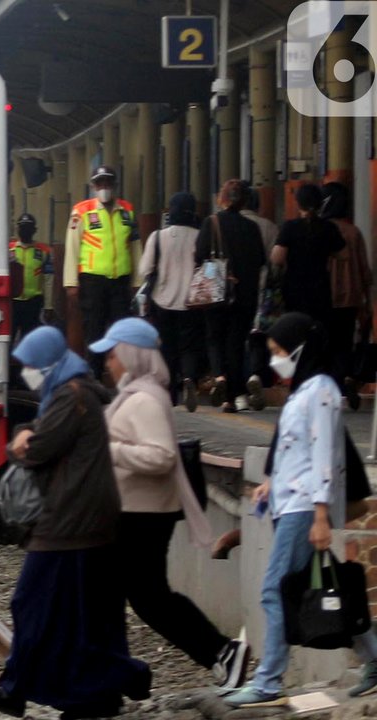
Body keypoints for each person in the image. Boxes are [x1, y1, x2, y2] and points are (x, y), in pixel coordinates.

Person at [0, 326, 150, 720]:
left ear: (49, 362)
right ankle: (100, 694)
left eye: (32, 365)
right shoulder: (72, 393)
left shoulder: (72, 397)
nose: (29, 373)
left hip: (70, 518)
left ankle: (17, 689)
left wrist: (18, 442)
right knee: (84, 613)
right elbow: (40, 437)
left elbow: (38, 449)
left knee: (32, 602)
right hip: (85, 515)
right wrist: (25, 436)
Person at [225, 313, 377, 708]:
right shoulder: (304, 390)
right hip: (293, 503)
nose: (275, 360)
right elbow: (297, 450)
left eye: (278, 351)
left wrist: (323, 515)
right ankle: (375, 660)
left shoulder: (321, 391)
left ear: (300, 349)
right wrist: (272, 483)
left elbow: (325, 454)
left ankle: (269, 681)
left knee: (277, 588)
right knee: (330, 585)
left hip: (306, 508)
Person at [90, 318, 249, 692]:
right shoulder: (139, 394)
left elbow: (161, 456)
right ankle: (120, 674)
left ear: (130, 355)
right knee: (134, 596)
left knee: (146, 598)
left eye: (113, 355)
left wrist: (109, 450)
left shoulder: (144, 400)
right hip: (136, 512)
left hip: (142, 516)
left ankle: (220, 652)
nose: (108, 363)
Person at [194, 180, 266, 413]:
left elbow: (200, 256)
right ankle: (234, 396)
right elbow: (260, 260)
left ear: (221, 198)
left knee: (214, 338)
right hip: (245, 294)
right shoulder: (251, 228)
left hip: (216, 290)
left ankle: (220, 379)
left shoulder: (211, 222)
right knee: (235, 343)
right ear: (245, 200)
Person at [65, 165, 139, 379]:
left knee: (122, 331)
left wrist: (138, 280)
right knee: (94, 330)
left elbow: (135, 245)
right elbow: (72, 247)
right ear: (93, 186)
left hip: (120, 281)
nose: (104, 187)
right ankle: (95, 377)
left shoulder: (127, 210)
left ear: (114, 185)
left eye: (107, 182)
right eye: (100, 183)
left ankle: (123, 376)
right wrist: (71, 283)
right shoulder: (82, 211)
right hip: (92, 281)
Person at [139, 192, 204, 409]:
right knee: (189, 346)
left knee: (167, 348)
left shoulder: (157, 237)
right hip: (192, 302)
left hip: (162, 301)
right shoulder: (200, 236)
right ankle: (189, 379)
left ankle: (168, 394)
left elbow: (145, 269)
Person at [320, 182, 372, 410]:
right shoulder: (354, 233)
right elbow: (365, 271)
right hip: (350, 299)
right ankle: (346, 380)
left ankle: (330, 388)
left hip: (324, 299)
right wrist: (367, 303)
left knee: (324, 346)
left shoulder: (319, 230)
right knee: (344, 344)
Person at [272, 184, 345, 326]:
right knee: (318, 327)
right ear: (319, 204)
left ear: (298, 203)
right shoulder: (328, 227)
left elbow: (277, 258)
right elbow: (343, 255)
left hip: (294, 287)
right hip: (320, 287)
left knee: (296, 327)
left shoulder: (290, 227)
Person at [241, 182, 280, 412]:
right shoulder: (269, 227)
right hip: (263, 289)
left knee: (238, 336)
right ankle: (256, 374)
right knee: (259, 335)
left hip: (236, 289)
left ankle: (240, 383)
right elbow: (276, 262)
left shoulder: (231, 223)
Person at [9, 213, 53, 342]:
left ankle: (26, 362)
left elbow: (48, 279)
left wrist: (49, 306)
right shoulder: (9, 249)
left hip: (33, 302)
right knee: (8, 337)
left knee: (28, 340)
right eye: (22, 227)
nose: (25, 231)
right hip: (12, 302)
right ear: (17, 229)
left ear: (34, 230)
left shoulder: (44, 251)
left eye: (28, 228)